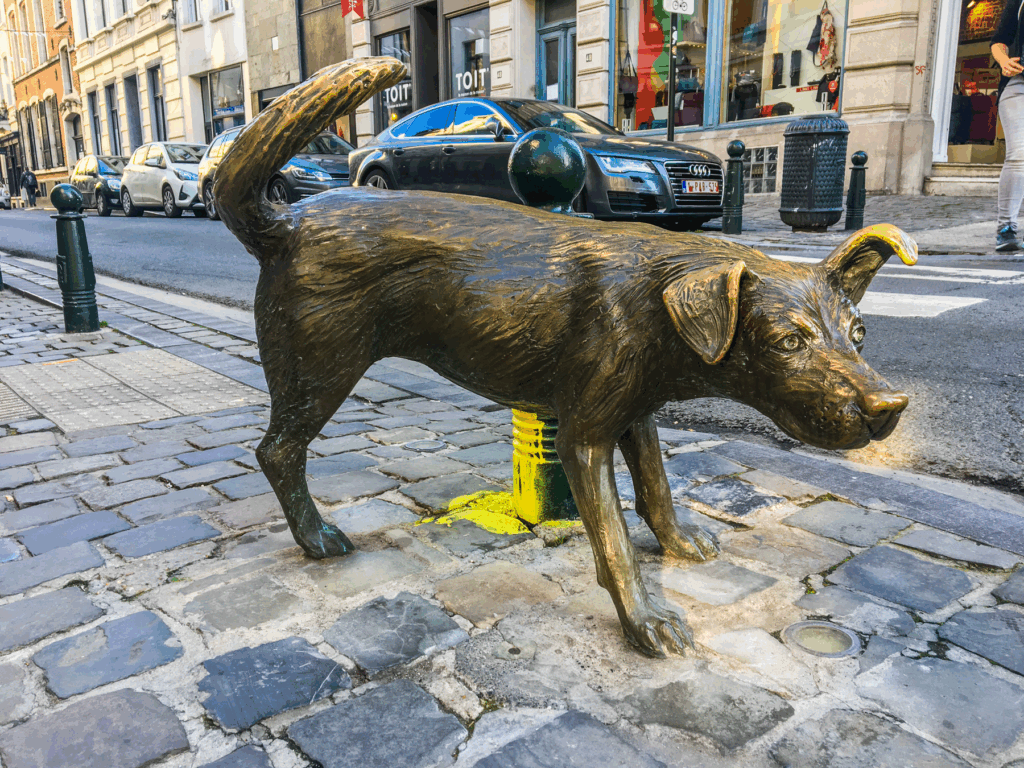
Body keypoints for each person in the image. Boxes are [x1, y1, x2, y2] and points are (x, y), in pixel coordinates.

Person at [991, 0, 1024, 251]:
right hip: (1018, 85)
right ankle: (1006, 227)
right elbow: (999, 40)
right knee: (1019, 154)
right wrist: (1003, 60)